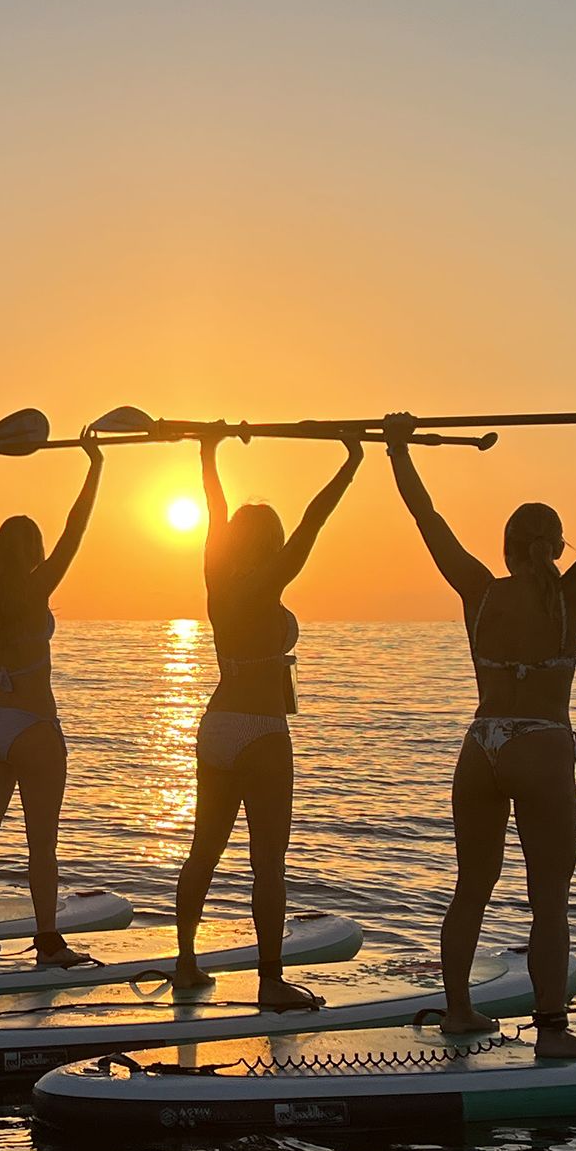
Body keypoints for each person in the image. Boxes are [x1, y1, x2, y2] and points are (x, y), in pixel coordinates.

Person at [383, 405, 576, 1059]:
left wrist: (398, 449)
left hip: (479, 744)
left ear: (507, 548)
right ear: (557, 547)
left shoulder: (479, 590)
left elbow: (426, 517)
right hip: (540, 743)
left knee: (471, 886)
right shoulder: (571, 595)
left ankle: (460, 1011)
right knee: (549, 900)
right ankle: (553, 1034)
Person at [171, 429, 362, 1010]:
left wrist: (209, 451)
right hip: (260, 731)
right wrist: (350, 459)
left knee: (204, 850)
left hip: (216, 725)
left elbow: (214, 511)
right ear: (271, 544)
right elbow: (313, 523)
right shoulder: (264, 585)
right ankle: (271, 980)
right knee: (267, 863)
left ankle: (186, 962)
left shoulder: (216, 582)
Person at [0, 426, 103, 965]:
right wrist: (94, 466)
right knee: (42, 844)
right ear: (33, 553)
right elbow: (76, 528)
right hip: (34, 726)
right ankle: (47, 942)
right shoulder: (38, 587)